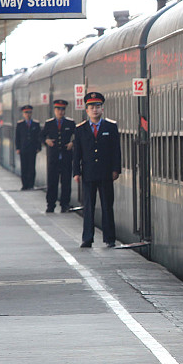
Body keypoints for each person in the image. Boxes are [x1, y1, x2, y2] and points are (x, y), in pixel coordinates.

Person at [73, 92, 122, 248]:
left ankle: (110, 238)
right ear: (86, 110)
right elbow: (77, 153)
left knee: (107, 206)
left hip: (106, 173)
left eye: (98, 107)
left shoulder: (111, 127)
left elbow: (116, 150)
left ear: (102, 109)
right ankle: (87, 238)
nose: (95, 110)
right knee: (88, 207)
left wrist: (116, 169)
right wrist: (76, 172)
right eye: (92, 107)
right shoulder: (80, 129)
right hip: (88, 174)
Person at [42, 99, 77, 213]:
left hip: (66, 157)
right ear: (54, 110)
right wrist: (46, 141)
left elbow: (79, 137)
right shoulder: (49, 123)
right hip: (53, 158)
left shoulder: (70, 123)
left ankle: (64, 204)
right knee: (52, 182)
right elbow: (40, 136)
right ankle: (50, 204)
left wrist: (72, 143)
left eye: (62, 110)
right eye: (58, 109)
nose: (60, 112)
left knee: (66, 182)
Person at [15, 105, 42, 191]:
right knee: (24, 167)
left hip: (32, 149)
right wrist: (18, 148)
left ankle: (31, 184)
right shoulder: (20, 124)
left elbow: (39, 137)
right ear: (23, 114)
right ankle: (24, 185)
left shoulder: (36, 124)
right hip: (23, 149)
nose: (28, 114)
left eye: (29, 112)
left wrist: (39, 147)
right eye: (26, 112)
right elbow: (17, 137)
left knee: (31, 167)